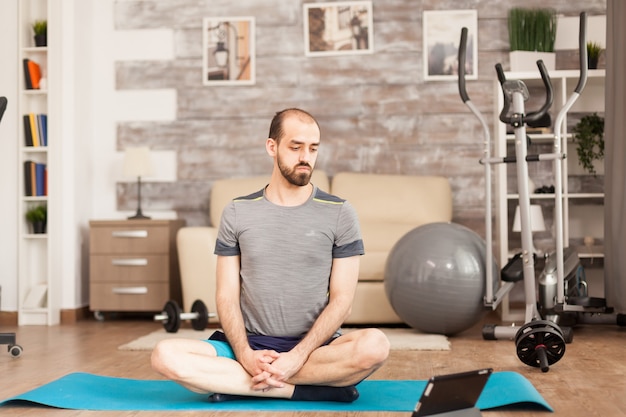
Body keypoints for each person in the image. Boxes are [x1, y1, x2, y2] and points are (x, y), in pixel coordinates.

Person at [151, 108, 390, 403]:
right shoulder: (238, 211)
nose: (306, 157)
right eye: (296, 147)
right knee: (164, 355)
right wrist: (245, 355)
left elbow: (343, 301)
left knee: (375, 346)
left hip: (315, 349)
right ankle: (302, 389)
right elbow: (226, 295)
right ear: (272, 146)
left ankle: (234, 384)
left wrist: (296, 357)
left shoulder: (340, 212)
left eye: (313, 148)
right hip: (246, 346)